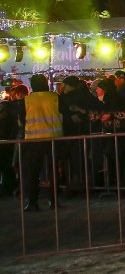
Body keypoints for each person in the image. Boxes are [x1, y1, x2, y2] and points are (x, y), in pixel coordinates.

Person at [20, 74, 64, 212]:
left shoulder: (26, 100)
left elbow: (22, 120)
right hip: (54, 138)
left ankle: (33, 202)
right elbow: (65, 115)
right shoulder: (55, 97)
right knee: (53, 171)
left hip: (34, 140)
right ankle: (54, 201)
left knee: (33, 172)